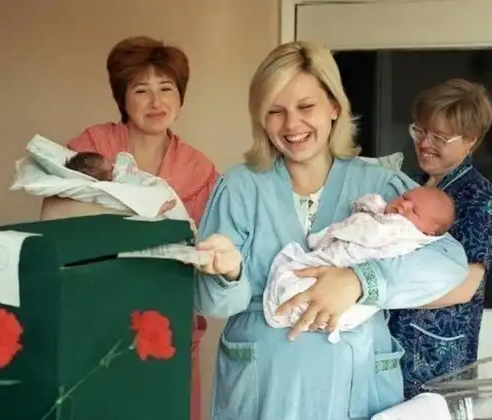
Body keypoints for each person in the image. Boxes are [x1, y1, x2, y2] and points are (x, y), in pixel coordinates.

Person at [192, 41, 469, 420]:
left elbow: (449, 263)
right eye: (275, 111)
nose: (292, 125)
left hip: (355, 380)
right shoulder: (239, 187)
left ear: (335, 106)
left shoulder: (383, 186)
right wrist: (229, 273)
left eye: (306, 107)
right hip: (266, 386)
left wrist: (360, 281)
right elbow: (212, 305)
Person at [41, 36, 217, 420]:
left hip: (170, 323)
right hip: (97, 317)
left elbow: (206, 255)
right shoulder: (93, 145)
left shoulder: (200, 170)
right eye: (141, 90)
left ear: (180, 96)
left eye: (166, 88)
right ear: (123, 97)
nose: (156, 102)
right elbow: (55, 219)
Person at [388, 79, 492, 398]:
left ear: (470, 140)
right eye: (420, 130)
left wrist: (374, 290)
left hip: (434, 359)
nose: (424, 143)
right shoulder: (410, 184)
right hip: (391, 347)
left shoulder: (477, 199)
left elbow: (464, 286)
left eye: (439, 136)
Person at [263, 187, 455, 344]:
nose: (404, 204)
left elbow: (452, 269)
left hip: (356, 293)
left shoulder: (406, 235)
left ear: (429, 232)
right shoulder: (381, 208)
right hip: (328, 265)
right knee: (296, 277)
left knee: (312, 295)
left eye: (415, 211)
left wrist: (358, 280)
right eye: (405, 197)